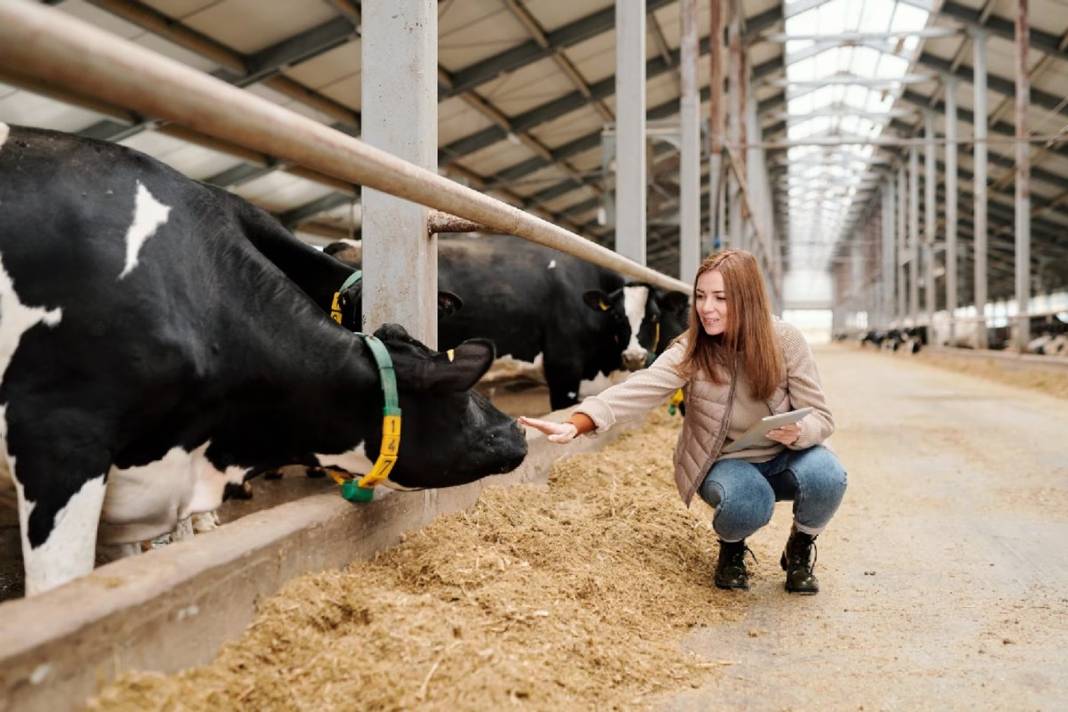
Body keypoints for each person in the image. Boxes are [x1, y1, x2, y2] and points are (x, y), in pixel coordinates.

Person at [520, 250, 846, 594]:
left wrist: (800, 431)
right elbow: (640, 388)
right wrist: (577, 422)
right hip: (727, 461)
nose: (706, 308)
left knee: (828, 476)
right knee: (749, 501)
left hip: (785, 455)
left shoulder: (786, 340)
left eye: (720, 298)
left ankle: (800, 546)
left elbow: (821, 416)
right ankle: (732, 549)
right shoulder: (692, 348)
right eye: (701, 296)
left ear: (747, 299)